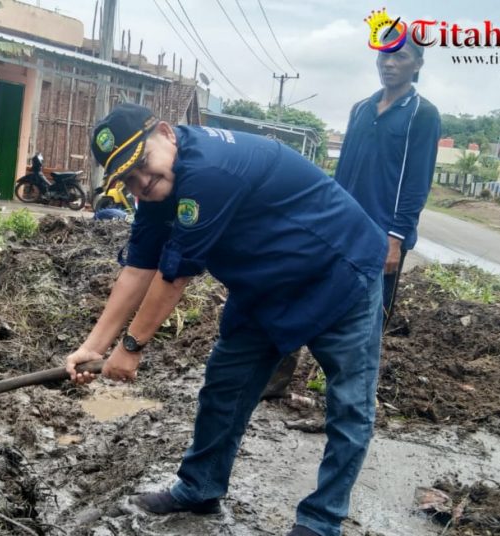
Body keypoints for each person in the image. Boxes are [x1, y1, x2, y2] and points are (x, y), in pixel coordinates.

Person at [65, 102, 387, 536]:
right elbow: (139, 267)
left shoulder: (209, 171)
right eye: (128, 178)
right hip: (264, 287)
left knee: (349, 405)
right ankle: (200, 487)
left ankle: (321, 520)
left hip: (336, 272)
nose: (141, 183)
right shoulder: (159, 187)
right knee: (225, 386)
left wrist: (131, 348)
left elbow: (173, 275)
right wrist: (94, 347)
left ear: (166, 132)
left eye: (142, 164)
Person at [334, 35, 441, 329]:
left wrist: (396, 239)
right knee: (330, 307)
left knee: (369, 322)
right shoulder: (360, 108)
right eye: (384, 56)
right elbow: (342, 170)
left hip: (383, 235)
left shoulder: (422, 113)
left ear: (417, 64)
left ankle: (363, 374)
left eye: (400, 57)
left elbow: (418, 182)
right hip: (344, 227)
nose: (389, 63)